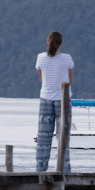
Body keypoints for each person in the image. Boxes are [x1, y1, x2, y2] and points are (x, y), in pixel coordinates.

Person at [35, 30, 74, 173]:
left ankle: (40, 169)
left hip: (45, 98)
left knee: (43, 137)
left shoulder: (40, 58)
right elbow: (69, 81)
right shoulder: (67, 58)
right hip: (63, 100)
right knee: (63, 136)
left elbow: (41, 79)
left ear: (48, 41)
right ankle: (64, 169)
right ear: (61, 43)